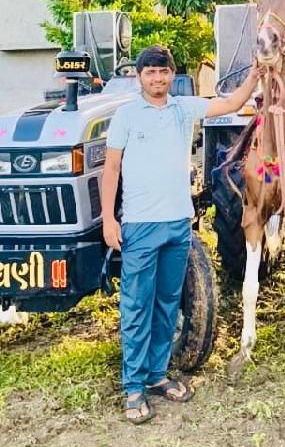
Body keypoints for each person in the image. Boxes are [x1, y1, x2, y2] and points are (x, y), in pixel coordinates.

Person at [102, 45, 261, 424]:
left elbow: (232, 103)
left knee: (167, 303)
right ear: (139, 77)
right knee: (137, 306)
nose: (157, 78)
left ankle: (157, 376)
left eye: (163, 71)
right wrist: (109, 219)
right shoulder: (126, 115)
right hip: (140, 225)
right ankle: (134, 387)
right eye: (150, 72)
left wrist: (256, 74)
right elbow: (111, 170)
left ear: (172, 75)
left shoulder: (183, 108)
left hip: (178, 225)